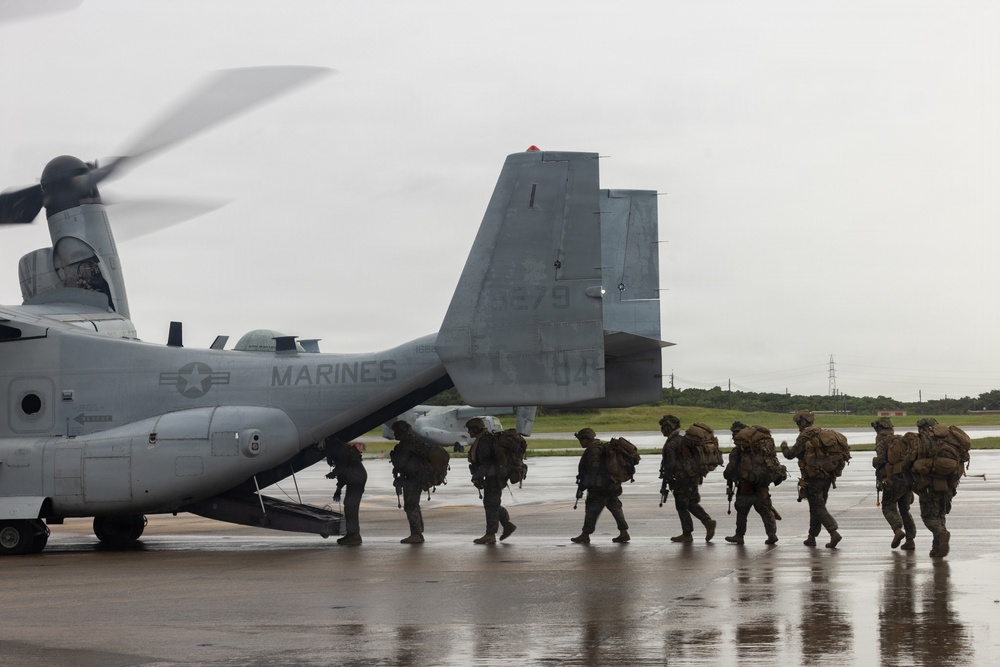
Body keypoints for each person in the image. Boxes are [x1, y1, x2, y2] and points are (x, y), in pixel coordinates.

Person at [780, 409, 843, 548]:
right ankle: (812, 537)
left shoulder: (805, 436)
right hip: (827, 477)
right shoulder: (821, 434)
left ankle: (833, 532)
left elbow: (790, 454)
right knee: (816, 507)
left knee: (817, 508)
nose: (798, 425)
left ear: (802, 421)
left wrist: (783, 447)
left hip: (812, 478)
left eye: (798, 422)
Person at [912, 418, 970, 558]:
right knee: (940, 515)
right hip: (949, 485)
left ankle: (940, 534)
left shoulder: (923, 440)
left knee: (928, 517)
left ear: (922, 428)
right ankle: (937, 548)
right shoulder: (951, 439)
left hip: (929, 485)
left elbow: (910, 459)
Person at [658, 415, 716, 543]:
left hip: (681, 480)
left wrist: (667, 478)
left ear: (669, 428)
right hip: (692, 477)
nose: (661, 430)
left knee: (681, 506)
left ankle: (687, 533)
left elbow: (671, 465)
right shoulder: (682, 440)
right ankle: (708, 522)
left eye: (663, 427)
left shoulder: (671, 444)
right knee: (691, 503)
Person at [723, 421, 781, 545]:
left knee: (742, 511)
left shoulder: (738, 450)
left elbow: (730, 469)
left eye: (734, 434)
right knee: (765, 510)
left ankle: (739, 535)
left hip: (746, 487)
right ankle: (772, 534)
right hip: (762, 485)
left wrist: (727, 475)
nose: (733, 437)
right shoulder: (760, 446)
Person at [570, 428, 630, 544]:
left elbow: (594, 469)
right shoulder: (600, 447)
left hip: (599, 487)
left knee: (591, 510)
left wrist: (585, 485)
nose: (580, 443)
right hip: (610, 485)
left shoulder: (594, 450)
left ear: (586, 439)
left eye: (581, 440)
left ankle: (585, 534)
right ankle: (624, 532)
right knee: (615, 508)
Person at [466, 417, 517, 545]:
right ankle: (507, 525)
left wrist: (477, 476)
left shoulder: (484, 441)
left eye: (470, 429)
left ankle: (490, 534)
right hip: (493, 476)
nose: (468, 432)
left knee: (491, 504)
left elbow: (487, 463)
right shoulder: (483, 439)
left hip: (494, 477)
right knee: (492, 503)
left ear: (475, 429)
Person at [870, 417, 916, 550]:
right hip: (908, 479)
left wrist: (874, 462)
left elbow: (880, 460)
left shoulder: (882, 441)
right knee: (904, 509)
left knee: (888, 506)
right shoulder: (901, 440)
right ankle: (910, 540)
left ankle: (897, 530)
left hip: (893, 480)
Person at [390, 420, 427, 544]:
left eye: (396, 432)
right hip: (418, 477)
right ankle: (418, 533)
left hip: (411, 478)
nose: (394, 434)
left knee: (410, 506)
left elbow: (400, 463)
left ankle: (415, 534)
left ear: (401, 432)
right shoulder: (417, 442)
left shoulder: (405, 445)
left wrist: (394, 457)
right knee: (414, 505)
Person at [325, 438, 367, 545]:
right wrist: (338, 489)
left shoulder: (335, 448)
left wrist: (333, 473)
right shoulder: (338, 447)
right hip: (356, 477)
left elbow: (342, 467)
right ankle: (351, 533)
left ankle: (354, 535)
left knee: (350, 506)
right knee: (349, 505)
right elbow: (344, 473)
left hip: (356, 478)